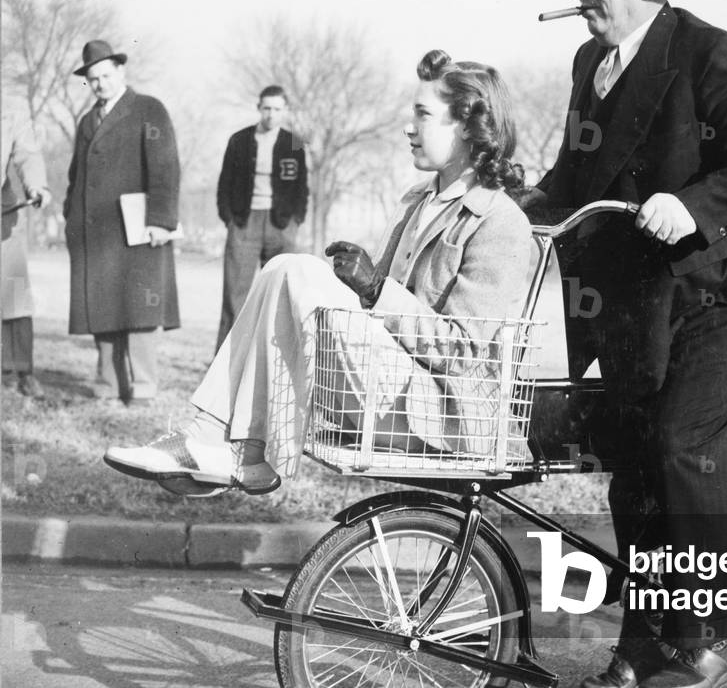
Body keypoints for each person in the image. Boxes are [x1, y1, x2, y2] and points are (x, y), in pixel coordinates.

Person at [526, 0, 727, 688]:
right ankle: (647, 639)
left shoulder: (712, 56)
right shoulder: (591, 62)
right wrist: (518, 206)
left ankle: (706, 627)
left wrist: (693, 204)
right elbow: (574, 174)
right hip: (645, 302)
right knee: (631, 467)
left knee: (679, 442)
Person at [103, 50, 532, 494]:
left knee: (301, 271)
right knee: (283, 266)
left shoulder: (500, 222)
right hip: (385, 392)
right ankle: (218, 440)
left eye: (422, 115)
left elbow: (463, 353)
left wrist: (376, 288)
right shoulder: (417, 200)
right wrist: (367, 290)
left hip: (435, 418)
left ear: (465, 126)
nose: (409, 126)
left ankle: (238, 450)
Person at [64, 40, 181, 404]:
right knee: (102, 308)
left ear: (121, 72)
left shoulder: (149, 110)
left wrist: (161, 221)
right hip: (96, 233)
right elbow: (75, 177)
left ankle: (144, 388)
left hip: (138, 230)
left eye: (105, 75)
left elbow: (165, 168)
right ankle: (108, 387)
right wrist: (71, 217)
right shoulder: (87, 121)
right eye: (93, 79)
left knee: (140, 309)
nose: (99, 84)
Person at [215, 85, 308, 350]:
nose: (271, 114)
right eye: (266, 108)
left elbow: (302, 188)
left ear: (285, 111)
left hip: (281, 225)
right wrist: (230, 219)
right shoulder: (239, 140)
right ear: (258, 108)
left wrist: (295, 221)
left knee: (281, 296)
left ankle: (273, 364)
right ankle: (226, 364)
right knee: (236, 296)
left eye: (277, 109)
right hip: (245, 223)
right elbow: (224, 184)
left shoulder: (294, 142)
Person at [2, 113, 51, 397]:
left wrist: (36, 185)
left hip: (3, 214)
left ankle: (20, 371)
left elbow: (28, 153)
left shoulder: (8, 109)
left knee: (15, 293)